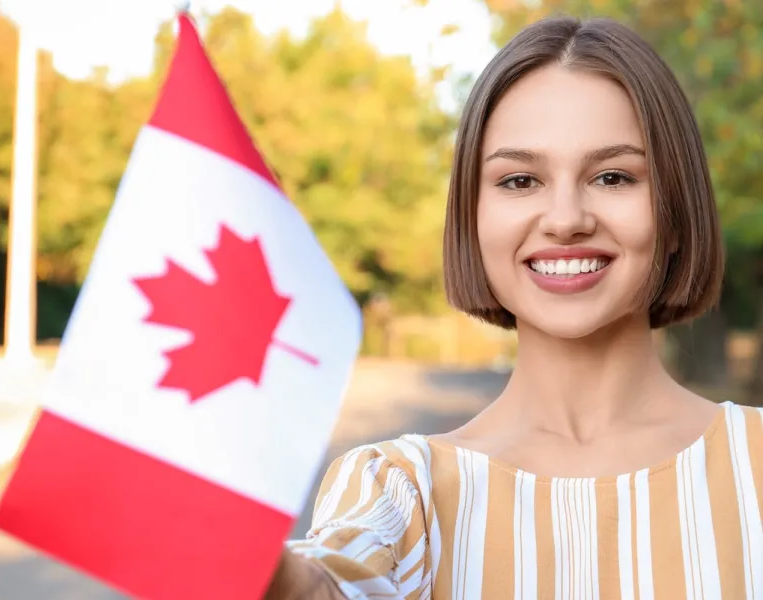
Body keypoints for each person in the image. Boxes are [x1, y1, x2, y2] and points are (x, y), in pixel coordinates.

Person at [266, 14, 763, 599]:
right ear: (472, 218)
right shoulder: (402, 490)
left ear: (676, 210)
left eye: (612, 176)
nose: (565, 220)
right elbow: (327, 586)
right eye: (520, 181)